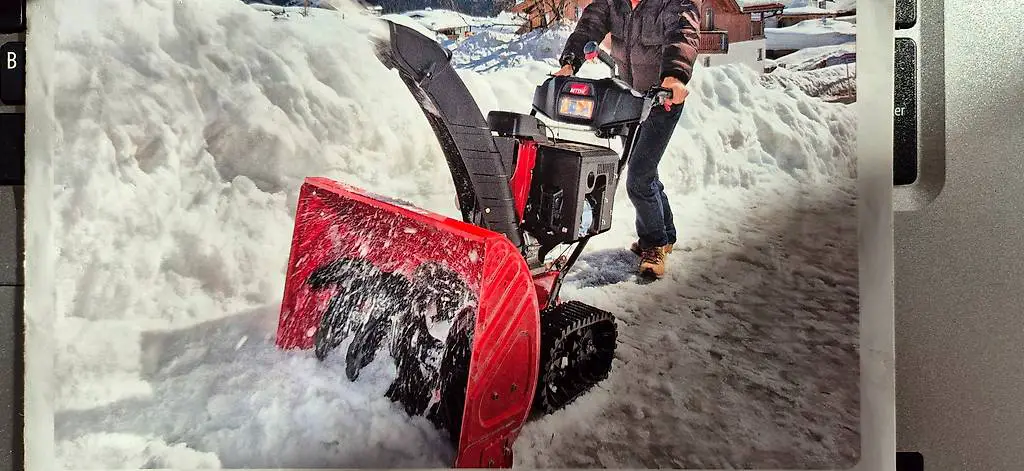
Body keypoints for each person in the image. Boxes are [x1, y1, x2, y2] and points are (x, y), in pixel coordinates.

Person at [553, 0, 701, 278]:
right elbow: (589, 26)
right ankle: (666, 234)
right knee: (645, 170)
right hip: (630, 101)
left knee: (639, 177)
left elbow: (683, 34)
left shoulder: (672, 3)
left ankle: (654, 243)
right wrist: (570, 64)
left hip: (663, 99)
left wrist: (674, 76)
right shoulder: (613, 3)